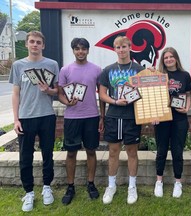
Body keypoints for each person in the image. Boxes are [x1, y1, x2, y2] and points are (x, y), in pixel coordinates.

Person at [9, 31, 59, 212]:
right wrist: (15, 119)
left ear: (43, 45)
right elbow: (15, 93)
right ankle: (28, 192)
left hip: (46, 115)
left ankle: (47, 187)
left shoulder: (52, 64)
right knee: (25, 156)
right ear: (27, 44)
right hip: (26, 117)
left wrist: (49, 90)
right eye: (32, 42)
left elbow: (57, 90)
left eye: (38, 42)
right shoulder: (18, 65)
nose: (35, 45)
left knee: (48, 154)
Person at [58, 38, 104, 205]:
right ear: (73, 50)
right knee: (71, 153)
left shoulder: (97, 70)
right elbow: (60, 94)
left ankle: (91, 184)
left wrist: (102, 116)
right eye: (77, 49)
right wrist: (66, 102)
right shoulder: (65, 70)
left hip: (91, 116)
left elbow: (102, 94)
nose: (80, 52)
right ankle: (70, 187)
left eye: (83, 48)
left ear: (88, 50)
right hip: (72, 118)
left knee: (91, 151)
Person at [99, 36, 144, 204]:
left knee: (132, 152)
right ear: (114, 49)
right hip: (114, 115)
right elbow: (102, 94)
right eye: (118, 47)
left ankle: (132, 186)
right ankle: (111, 185)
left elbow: (146, 93)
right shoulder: (108, 70)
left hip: (132, 117)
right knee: (113, 152)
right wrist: (115, 101)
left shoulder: (139, 69)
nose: (121, 50)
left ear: (130, 47)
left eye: (124, 46)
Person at [153, 47, 191, 198]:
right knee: (161, 150)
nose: (168, 59)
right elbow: (152, 96)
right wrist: (154, 114)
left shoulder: (184, 75)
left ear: (176, 58)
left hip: (179, 118)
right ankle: (159, 181)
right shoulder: (158, 75)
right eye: (165, 57)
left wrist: (187, 107)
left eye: (171, 57)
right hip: (162, 118)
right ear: (163, 60)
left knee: (177, 151)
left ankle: (178, 182)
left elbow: (188, 94)